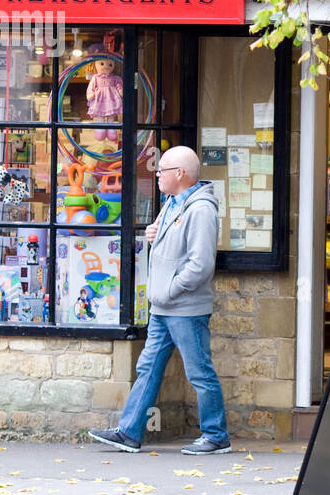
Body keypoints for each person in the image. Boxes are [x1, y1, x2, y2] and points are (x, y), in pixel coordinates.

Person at [90, 145, 230, 455]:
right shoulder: (171, 204)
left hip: (184, 308)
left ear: (180, 174)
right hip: (163, 308)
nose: (157, 175)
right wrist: (155, 233)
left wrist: (169, 290)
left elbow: (200, 265)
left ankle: (216, 435)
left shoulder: (200, 209)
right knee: (148, 368)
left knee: (199, 372)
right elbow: (171, 247)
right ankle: (129, 432)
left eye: (162, 170)